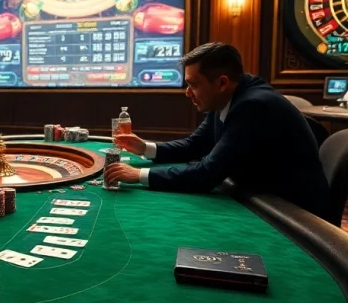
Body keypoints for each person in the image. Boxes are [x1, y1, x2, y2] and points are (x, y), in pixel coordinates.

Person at [105, 42, 331, 219]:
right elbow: (196, 145)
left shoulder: (253, 106)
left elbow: (206, 174)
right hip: (262, 196)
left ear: (221, 82)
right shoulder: (229, 95)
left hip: (292, 215)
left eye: (193, 84)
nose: (187, 93)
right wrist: (145, 147)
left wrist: (139, 175)